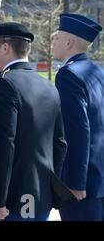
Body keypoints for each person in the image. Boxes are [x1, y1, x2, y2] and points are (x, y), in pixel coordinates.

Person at [0, 22, 67, 221]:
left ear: (5, 48)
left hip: (14, 199)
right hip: (41, 195)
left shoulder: (3, 84)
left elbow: (3, 147)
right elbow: (60, 144)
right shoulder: (48, 86)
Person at [52, 13, 104, 221]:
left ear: (69, 42)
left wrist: (75, 183)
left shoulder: (68, 75)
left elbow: (77, 131)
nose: (54, 42)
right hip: (98, 179)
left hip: (84, 185)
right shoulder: (97, 72)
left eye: (57, 38)